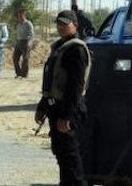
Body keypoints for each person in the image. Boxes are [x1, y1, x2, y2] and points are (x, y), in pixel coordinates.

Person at [35, 10, 91, 186]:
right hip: (56, 107)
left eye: (65, 24)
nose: (60, 27)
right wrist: (42, 107)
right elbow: (51, 83)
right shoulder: (60, 47)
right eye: (58, 23)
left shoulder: (76, 50)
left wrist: (66, 116)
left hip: (68, 109)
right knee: (61, 153)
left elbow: (76, 87)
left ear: (75, 25)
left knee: (70, 154)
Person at [13, 9, 34, 78]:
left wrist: (30, 43)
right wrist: (16, 43)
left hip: (26, 42)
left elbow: (32, 34)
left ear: (24, 15)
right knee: (15, 58)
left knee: (25, 59)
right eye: (18, 16)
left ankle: (24, 75)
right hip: (19, 42)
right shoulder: (18, 25)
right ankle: (18, 73)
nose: (19, 17)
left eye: (21, 16)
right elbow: (17, 35)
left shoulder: (28, 24)